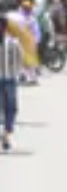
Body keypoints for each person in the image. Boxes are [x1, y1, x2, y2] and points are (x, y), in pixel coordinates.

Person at [0, 15, 24, 151]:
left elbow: (20, 59)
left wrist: (17, 73)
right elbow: (20, 60)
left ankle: (6, 133)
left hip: (9, 79)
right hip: (7, 79)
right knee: (6, 108)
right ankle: (5, 133)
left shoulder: (13, 43)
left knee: (10, 108)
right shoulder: (13, 42)